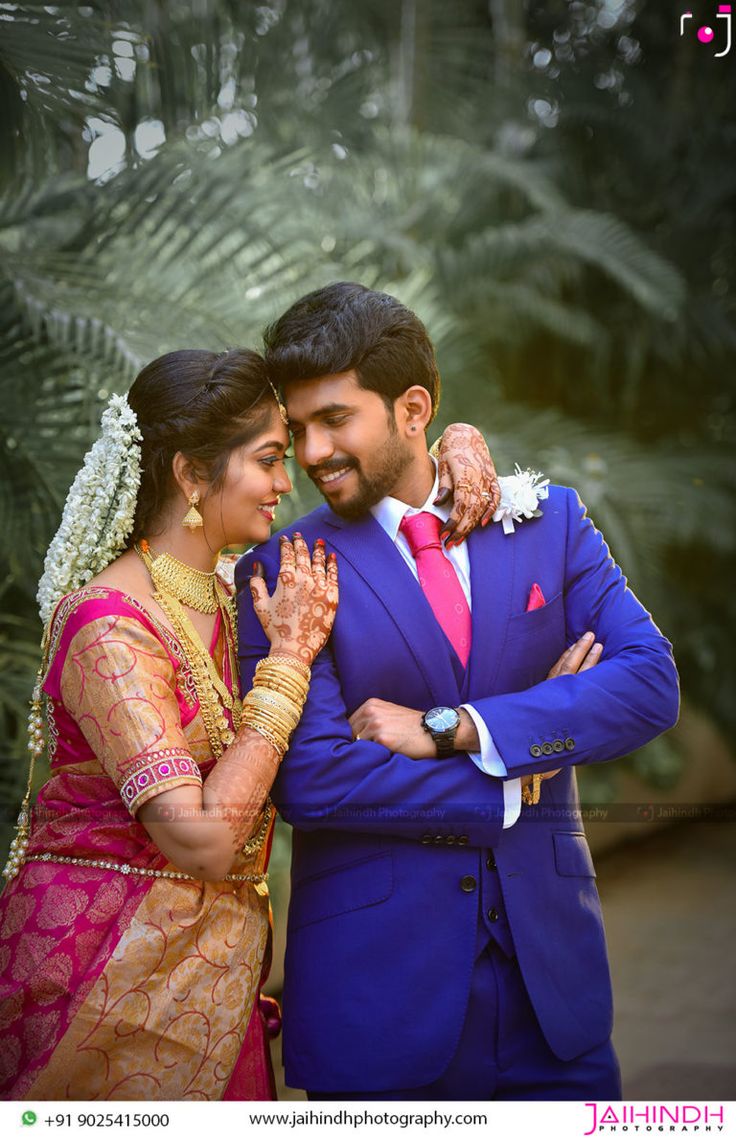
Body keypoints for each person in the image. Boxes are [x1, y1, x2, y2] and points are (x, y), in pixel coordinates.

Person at [0, 347, 493, 1101]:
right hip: (106, 978)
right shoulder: (110, 627)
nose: (284, 482)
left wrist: (455, 443)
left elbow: (388, 495)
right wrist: (290, 660)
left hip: (214, 982)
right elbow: (198, 839)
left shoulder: (241, 593)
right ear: (192, 476)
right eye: (267, 460)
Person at [236, 282, 680, 1101]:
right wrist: (518, 770)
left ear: (413, 409)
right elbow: (314, 778)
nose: (311, 451)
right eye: (298, 429)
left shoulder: (550, 522)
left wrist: (461, 727)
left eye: (337, 419)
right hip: (378, 1005)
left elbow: (649, 683)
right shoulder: (283, 571)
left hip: (557, 999)